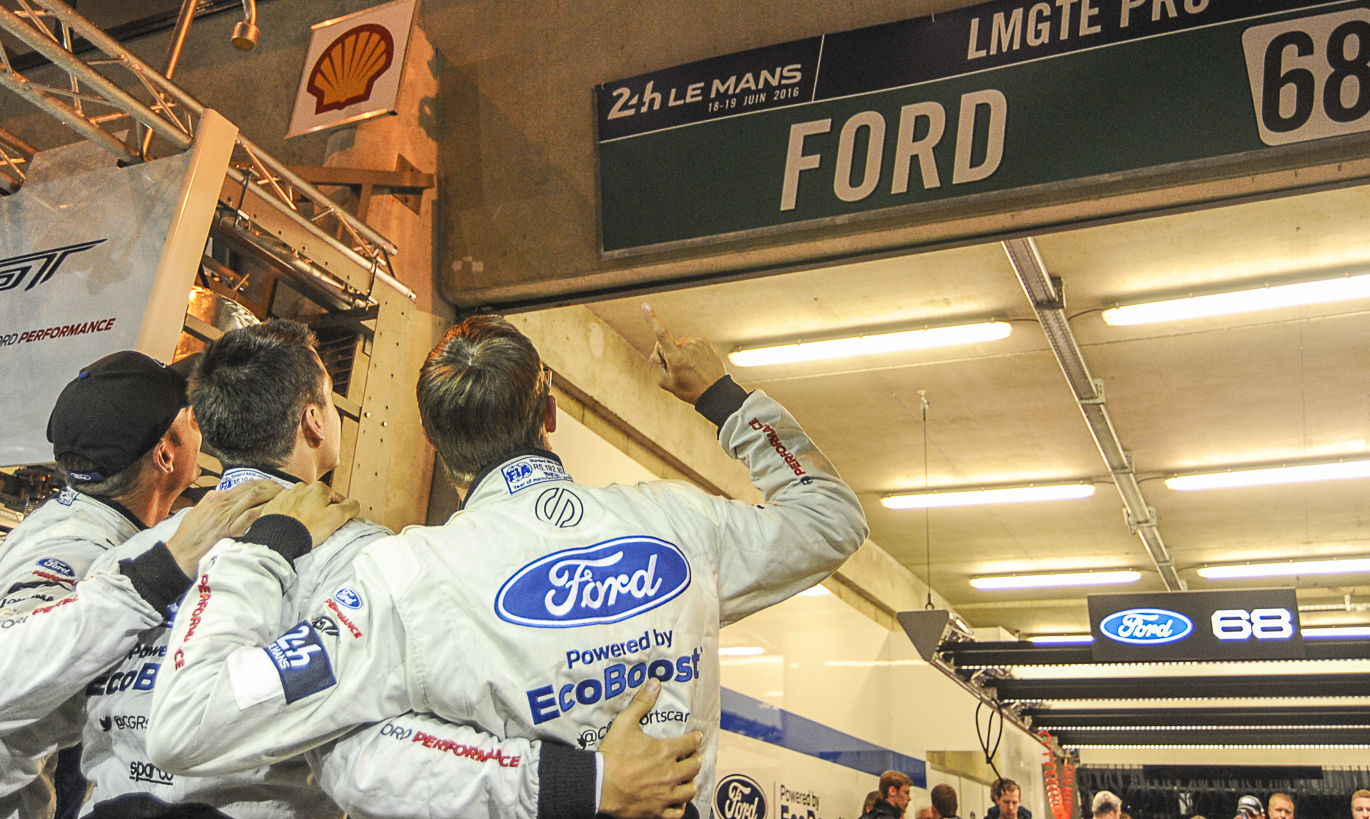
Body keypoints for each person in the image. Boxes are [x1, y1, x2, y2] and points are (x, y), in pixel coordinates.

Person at [0, 332, 699, 819]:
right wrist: (582, 781)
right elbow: (375, 766)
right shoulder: (366, 558)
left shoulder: (134, 565)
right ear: (314, 421)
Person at [145, 306, 870, 819]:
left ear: (430, 438)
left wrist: (263, 548)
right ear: (549, 414)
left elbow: (190, 723)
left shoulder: (405, 576)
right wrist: (722, 397)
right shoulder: (682, 521)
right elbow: (831, 517)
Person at [0, 351, 262, 819]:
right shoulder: (79, 553)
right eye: (191, 417)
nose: (200, 426)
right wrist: (158, 574)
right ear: (165, 455)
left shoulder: (81, 518)